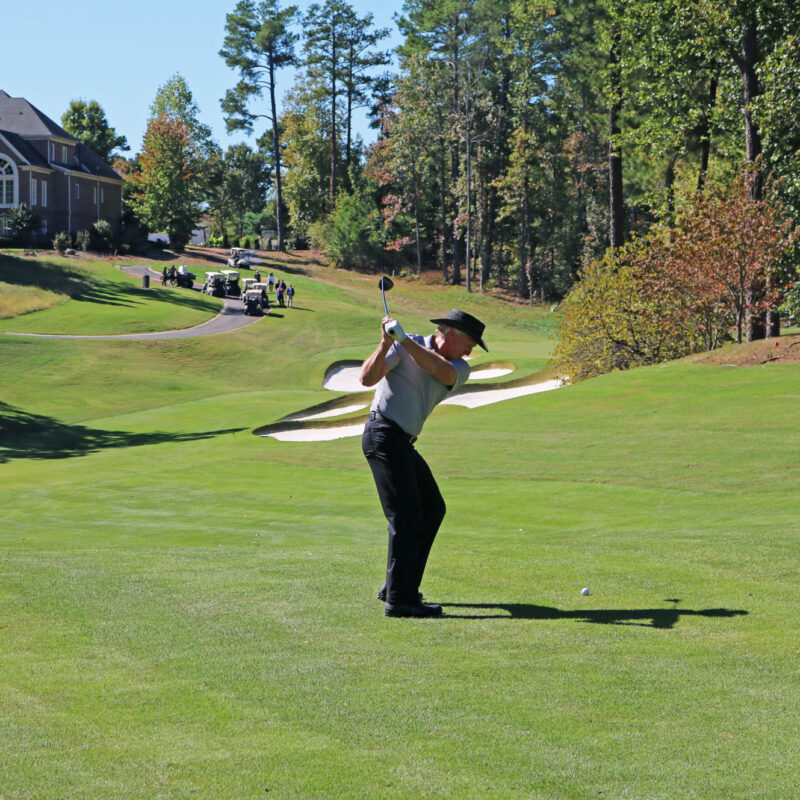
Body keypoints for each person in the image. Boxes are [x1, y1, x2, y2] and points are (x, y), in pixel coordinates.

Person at [359, 308, 488, 618]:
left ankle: (397, 587)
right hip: (383, 434)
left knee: (432, 508)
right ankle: (400, 600)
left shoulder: (457, 367)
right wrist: (385, 344)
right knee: (405, 516)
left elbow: (438, 370)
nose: (470, 353)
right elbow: (366, 379)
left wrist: (402, 340)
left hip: (401, 442)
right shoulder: (403, 345)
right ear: (452, 333)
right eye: (469, 344)